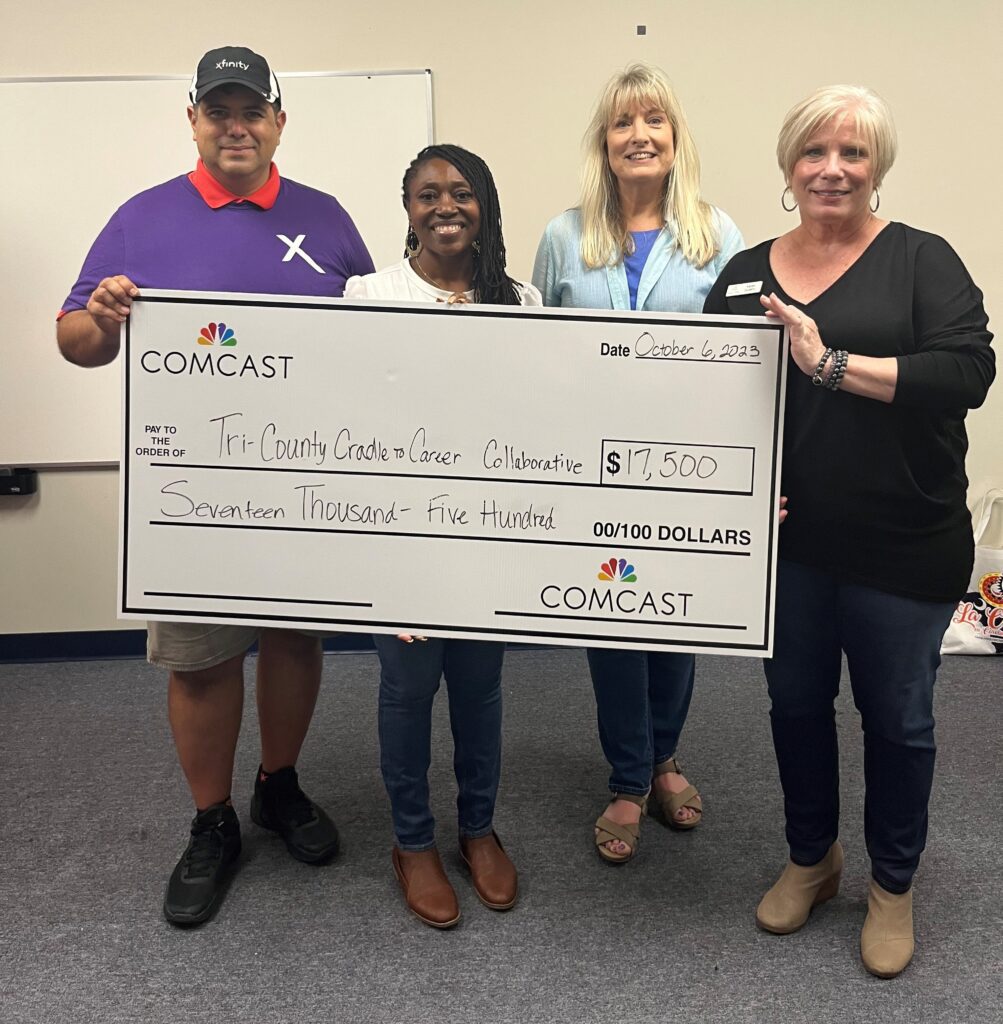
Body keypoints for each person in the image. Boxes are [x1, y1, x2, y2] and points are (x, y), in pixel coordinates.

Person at [57, 46, 375, 927]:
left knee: (295, 641)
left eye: (252, 110)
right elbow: (75, 341)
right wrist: (104, 315)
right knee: (199, 661)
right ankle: (212, 822)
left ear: (279, 120)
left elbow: (380, 344)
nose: (235, 126)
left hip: (307, 484)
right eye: (217, 111)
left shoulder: (328, 217)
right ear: (192, 120)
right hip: (190, 492)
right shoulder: (141, 217)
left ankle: (279, 785)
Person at [704, 85, 995, 978]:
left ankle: (892, 887)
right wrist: (734, 497)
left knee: (897, 720)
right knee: (793, 707)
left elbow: (966, 370)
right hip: (787, 550)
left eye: (853, 154)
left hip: (902, 541)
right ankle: (813, 860)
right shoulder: (747, 270)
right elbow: (711, 403)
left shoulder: (920, 259)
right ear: (789, 168)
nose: (833, 168)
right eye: (814, 153)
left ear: (877, 168)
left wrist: (827, 362)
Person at [533, 64, 743, 864]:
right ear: (604, 141)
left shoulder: (717, 234)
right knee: (613, 619)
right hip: (591, 466)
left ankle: (661, 760)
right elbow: (538, 350)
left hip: (687, 467)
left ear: (674, 138)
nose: (638, 135)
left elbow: (741, 360)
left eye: (653, 120)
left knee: (673, 617)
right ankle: (627, 777)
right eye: (622, 123)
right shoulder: (563, 236)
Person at [344, 144, 540, 928]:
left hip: (487, 538)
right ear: (407, 209)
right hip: (403, 539)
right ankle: (412, 841)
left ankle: (477, 829)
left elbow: (538, 419)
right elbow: (349, 417)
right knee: (407, 689)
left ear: (484, 204)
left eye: (460, 192)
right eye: (427, 195)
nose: (444, 206)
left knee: (480, 689)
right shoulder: (368, 293)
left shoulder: (520, 300)